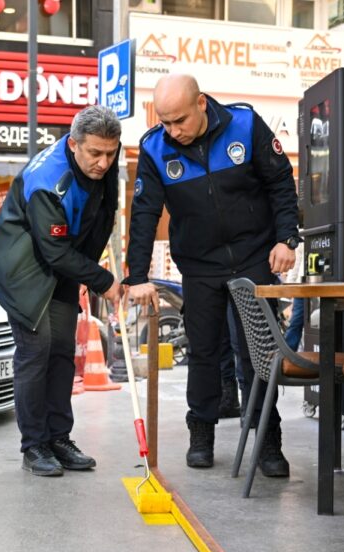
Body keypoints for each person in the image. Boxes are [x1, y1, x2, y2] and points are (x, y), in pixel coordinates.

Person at [125, 73, 299, 475]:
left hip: (256, 259)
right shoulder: (155, 149)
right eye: (165, 122)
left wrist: (287, 239)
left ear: (201, 103)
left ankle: (268, 441)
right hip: (200, 266)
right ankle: (201, 434)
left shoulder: (245, 124)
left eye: (180, 120)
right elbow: (145, 215)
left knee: (257, 355)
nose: (173, 131)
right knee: (203, 353)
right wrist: (137, 276)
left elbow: (280, 184)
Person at [0, 105, 123, 477]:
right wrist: (103, 280)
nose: (103, 162)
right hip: (22, 267)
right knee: (37, 350)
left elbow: (103, 212)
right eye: (95, 153)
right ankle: (35, 445)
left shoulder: (104, 156)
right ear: (74, 144)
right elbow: (54, 250)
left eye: (110, 153)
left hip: (61, 263)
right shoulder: (48, 180)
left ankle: (59, 437)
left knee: (63, 350)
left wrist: (89, 270)